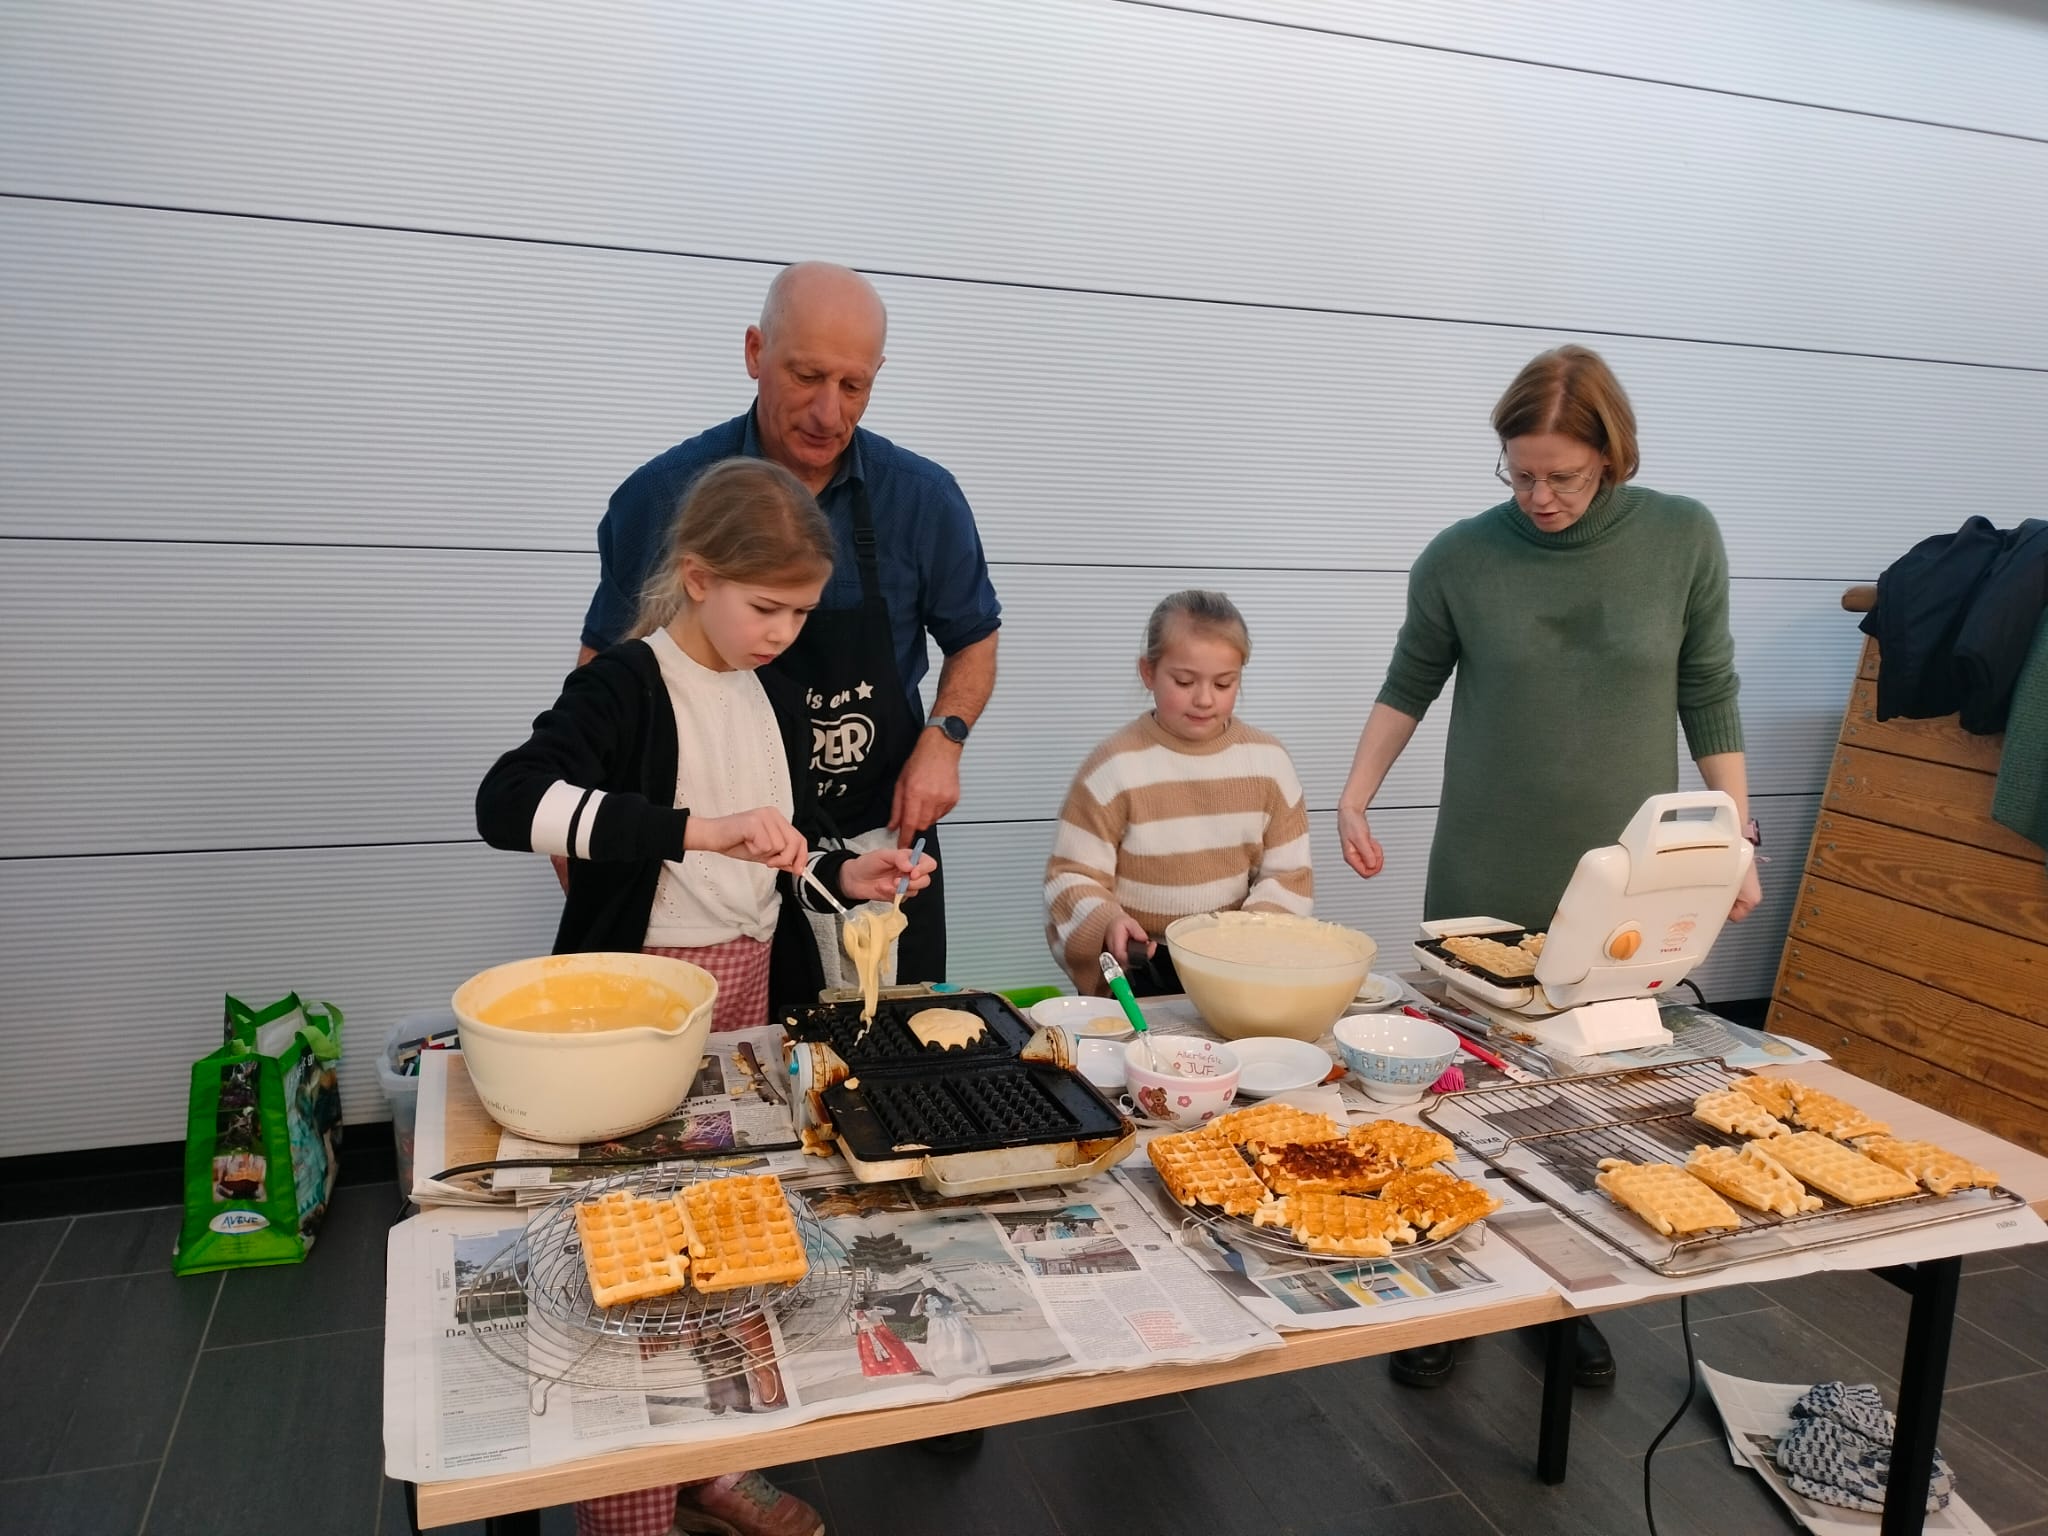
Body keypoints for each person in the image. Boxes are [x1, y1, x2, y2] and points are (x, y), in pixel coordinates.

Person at [478, 457, 931, 1536]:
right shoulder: (627, 684)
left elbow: (755, 842)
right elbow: (508, 800)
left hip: (747, 992)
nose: (784, 631)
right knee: (637, 1262)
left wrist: (837, 871)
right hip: (641, 1008)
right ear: (695, 575)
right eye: (766, 606)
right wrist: (691, 828)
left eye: (800, 611)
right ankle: (630, 1503)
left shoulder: (755, 681)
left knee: (735, 1231)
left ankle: (711, 1465)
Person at [1336, 344, 1761, 1390]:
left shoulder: (1680, 538)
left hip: (1624, 882)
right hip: (1481, 872)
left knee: (1593, 1106)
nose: (1537, 497)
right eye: (1518, 474)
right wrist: (1352, 793)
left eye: (1560, 477)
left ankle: (1566, 1293)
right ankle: (1438, 1289)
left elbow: (1706, 689)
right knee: (1460, 1094)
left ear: (1610, 457)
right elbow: (1408, 683)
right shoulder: (1457, 558)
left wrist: (1729, 844)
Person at [579, 262, 1001, 988]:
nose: (829, 413)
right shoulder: (661, 497)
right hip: (721, 861)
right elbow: (593, 706)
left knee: (893, 1047)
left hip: (875, 839)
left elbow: (974, 637)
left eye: (854, 386)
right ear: (754, 352)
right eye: (807, 376)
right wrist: (601, 882)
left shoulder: (922, 500)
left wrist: (946, 738)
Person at [1044, 590, 1313, 996]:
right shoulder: (1113, 767)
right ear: (1148, 672)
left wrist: (1250, 937)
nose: (1204, 699)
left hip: (1237, 962)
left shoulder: (1268, 763)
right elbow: (1071, 876)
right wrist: (1108, 922)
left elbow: (1289, 876)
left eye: (1224, 683)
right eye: (1184, 681)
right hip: (1143, 963)